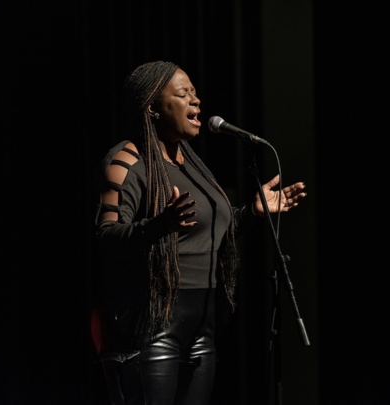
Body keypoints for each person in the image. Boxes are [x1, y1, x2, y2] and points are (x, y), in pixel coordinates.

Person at [93, 61, 306, 405]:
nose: (196, 101)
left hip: (202, 327)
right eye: (183, 94)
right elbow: (105, 238)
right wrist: (159, 226)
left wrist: (251, 212)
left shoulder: (191, 163)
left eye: (194, 92)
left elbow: (211, 232)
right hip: (150, 325)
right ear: (152, 108)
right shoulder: (126, 161)